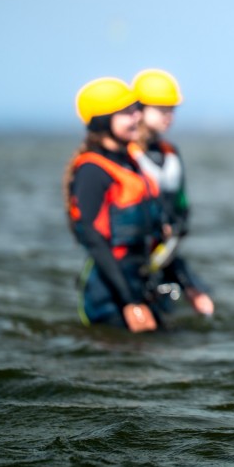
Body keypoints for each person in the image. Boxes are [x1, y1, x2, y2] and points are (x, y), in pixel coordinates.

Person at [64, 77, 164, 332]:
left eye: (136, 110)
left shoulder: (130, 161)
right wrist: (130, 303)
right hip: (108, 292)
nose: (137, 118)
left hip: (138, 280)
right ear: (102, 120)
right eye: (126, 113)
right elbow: (92, 238)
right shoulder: (91, 170)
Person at [131, 68, 215, 318]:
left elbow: (182, 202)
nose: (169, 116)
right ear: (139, 110)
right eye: (162, 109)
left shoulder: (170, 152)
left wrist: (178, 224)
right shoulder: (128, 155)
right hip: (136, 256)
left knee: (203, 306)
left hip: (167, 254)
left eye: (172, 110)